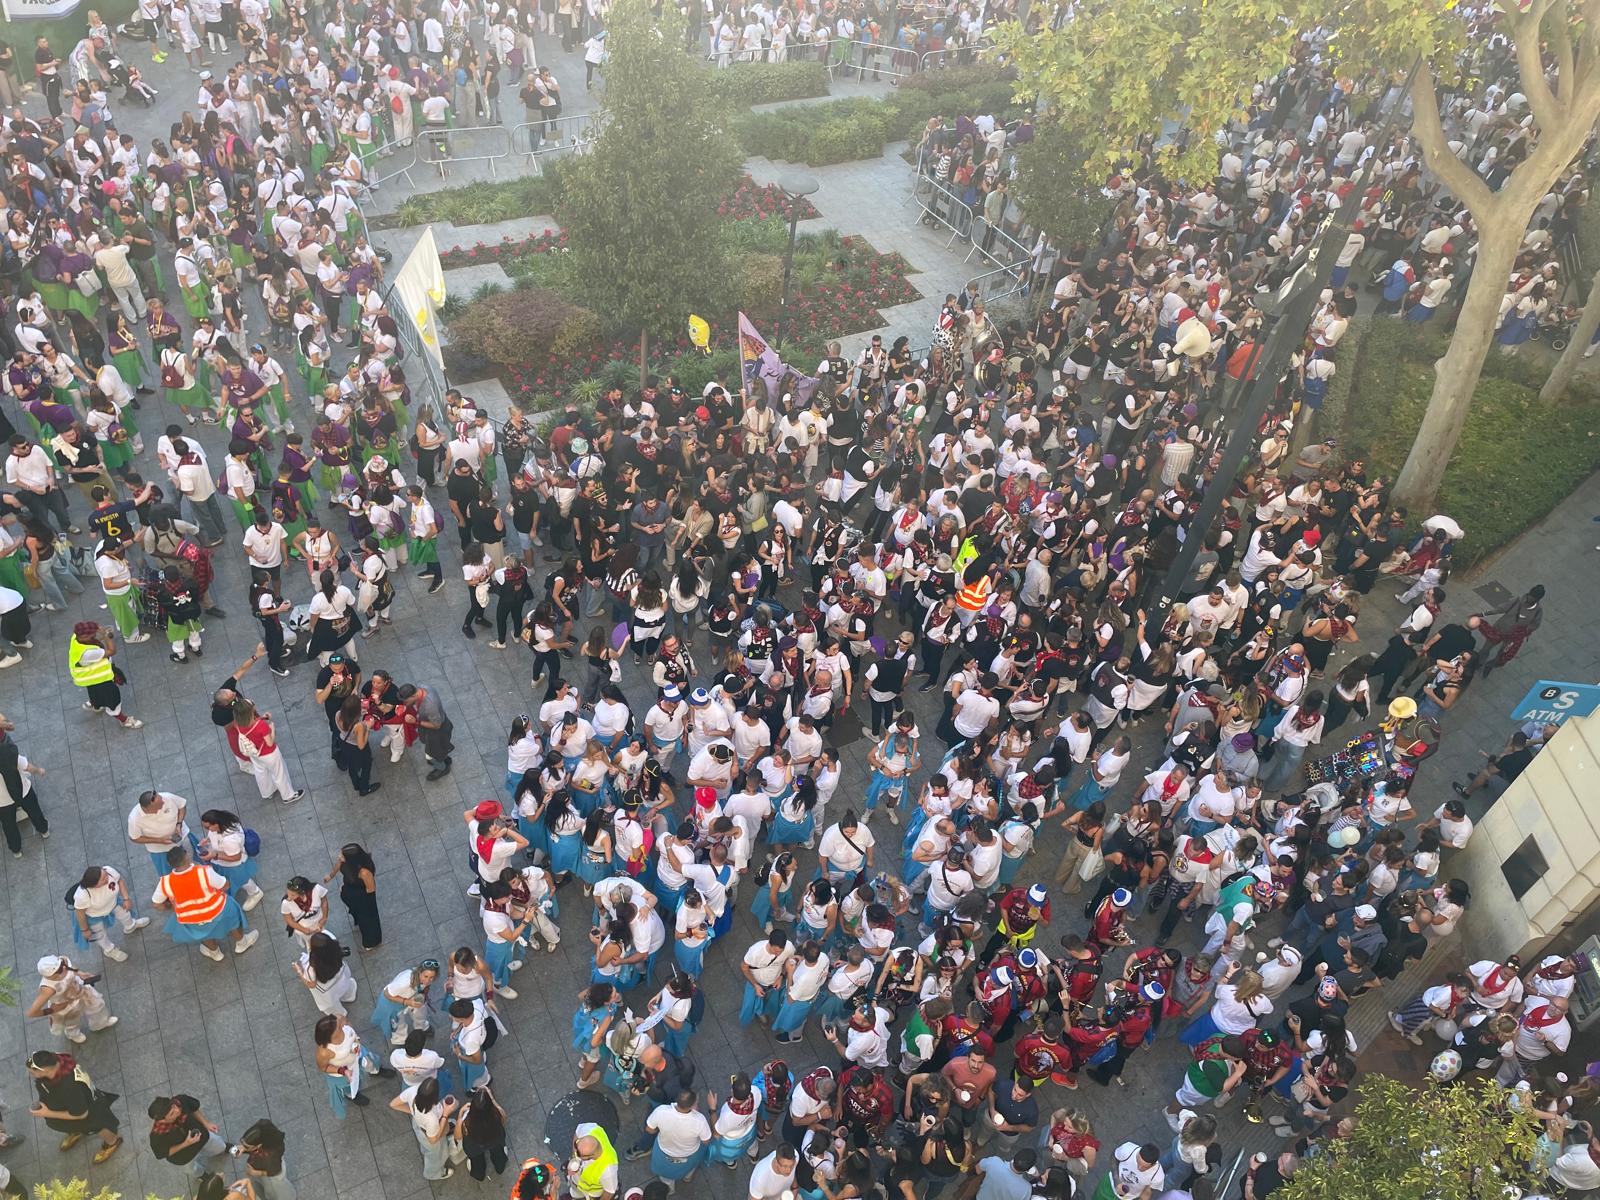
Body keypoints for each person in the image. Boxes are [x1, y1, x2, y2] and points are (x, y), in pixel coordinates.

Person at [149, 843, 261, 961]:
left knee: (203, 932)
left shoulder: (165, 882)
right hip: (218, 910)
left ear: (169, 864)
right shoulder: (203, 872)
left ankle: (215, 952)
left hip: (191, 918)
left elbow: (156, 904)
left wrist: (172, 907)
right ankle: (241, 942)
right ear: (186, 856)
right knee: (232, 914)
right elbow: (225, 885)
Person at [25, 1050, 122, 1164]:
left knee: (98, 1126)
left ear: (44, 1070)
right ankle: (76, 1131)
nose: (30, 1075)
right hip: (66, 1105)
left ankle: (112, 1143)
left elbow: (81, 1114)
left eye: (32, 1073)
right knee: (76, 1125)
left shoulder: (69, 1087)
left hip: (88, 1112)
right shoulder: (58, 1061)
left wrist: (46, 1113)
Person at [25, 956, 118, 1045]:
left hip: (82, 991)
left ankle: (100, 1023)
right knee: (71, 1022)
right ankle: (73, 1034)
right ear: (48, 976)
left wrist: (80, 973)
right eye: (59, 970)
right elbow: (31, 1013)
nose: (63, 970)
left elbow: (71, 967)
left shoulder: (63, 961)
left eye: (61, 966)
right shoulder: (48, 989)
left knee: (98, 1006)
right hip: (66, 1004)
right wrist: (52, 1010)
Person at [0, 714, 50, 858]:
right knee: (34, 811)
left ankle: (16, 850)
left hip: (2, 802)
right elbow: (27, 767)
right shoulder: (9, 755)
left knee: (8, 825)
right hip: (22, 789)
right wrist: (39, 770)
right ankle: (43, 830)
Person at [147, 1094, 230, 1181]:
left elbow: (193, 1108)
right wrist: (186, 1143)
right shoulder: (157, 1136)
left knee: (218, 1145)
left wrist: (206, 1123)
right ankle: (201, 1175)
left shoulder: (180, 1101)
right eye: (172, 1113)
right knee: (192, 1169)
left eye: (174, 1106)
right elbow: (164, 1153)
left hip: (202, 1137)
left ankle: (224, 1148)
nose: (178, 1110)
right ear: (162, 1120)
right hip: (183, 1156)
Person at [325, 843, 383, 950]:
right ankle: (358, 920)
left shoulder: (364, 872)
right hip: (350, 890)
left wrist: (366, 904)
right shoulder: (346, 861)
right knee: (358, 914)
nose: (339, 857)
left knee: (367, 919)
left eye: (341, 855)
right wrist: (331, 875)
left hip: (363, 896)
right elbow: (339, 865)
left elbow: (370, 889)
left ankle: (371, 941)